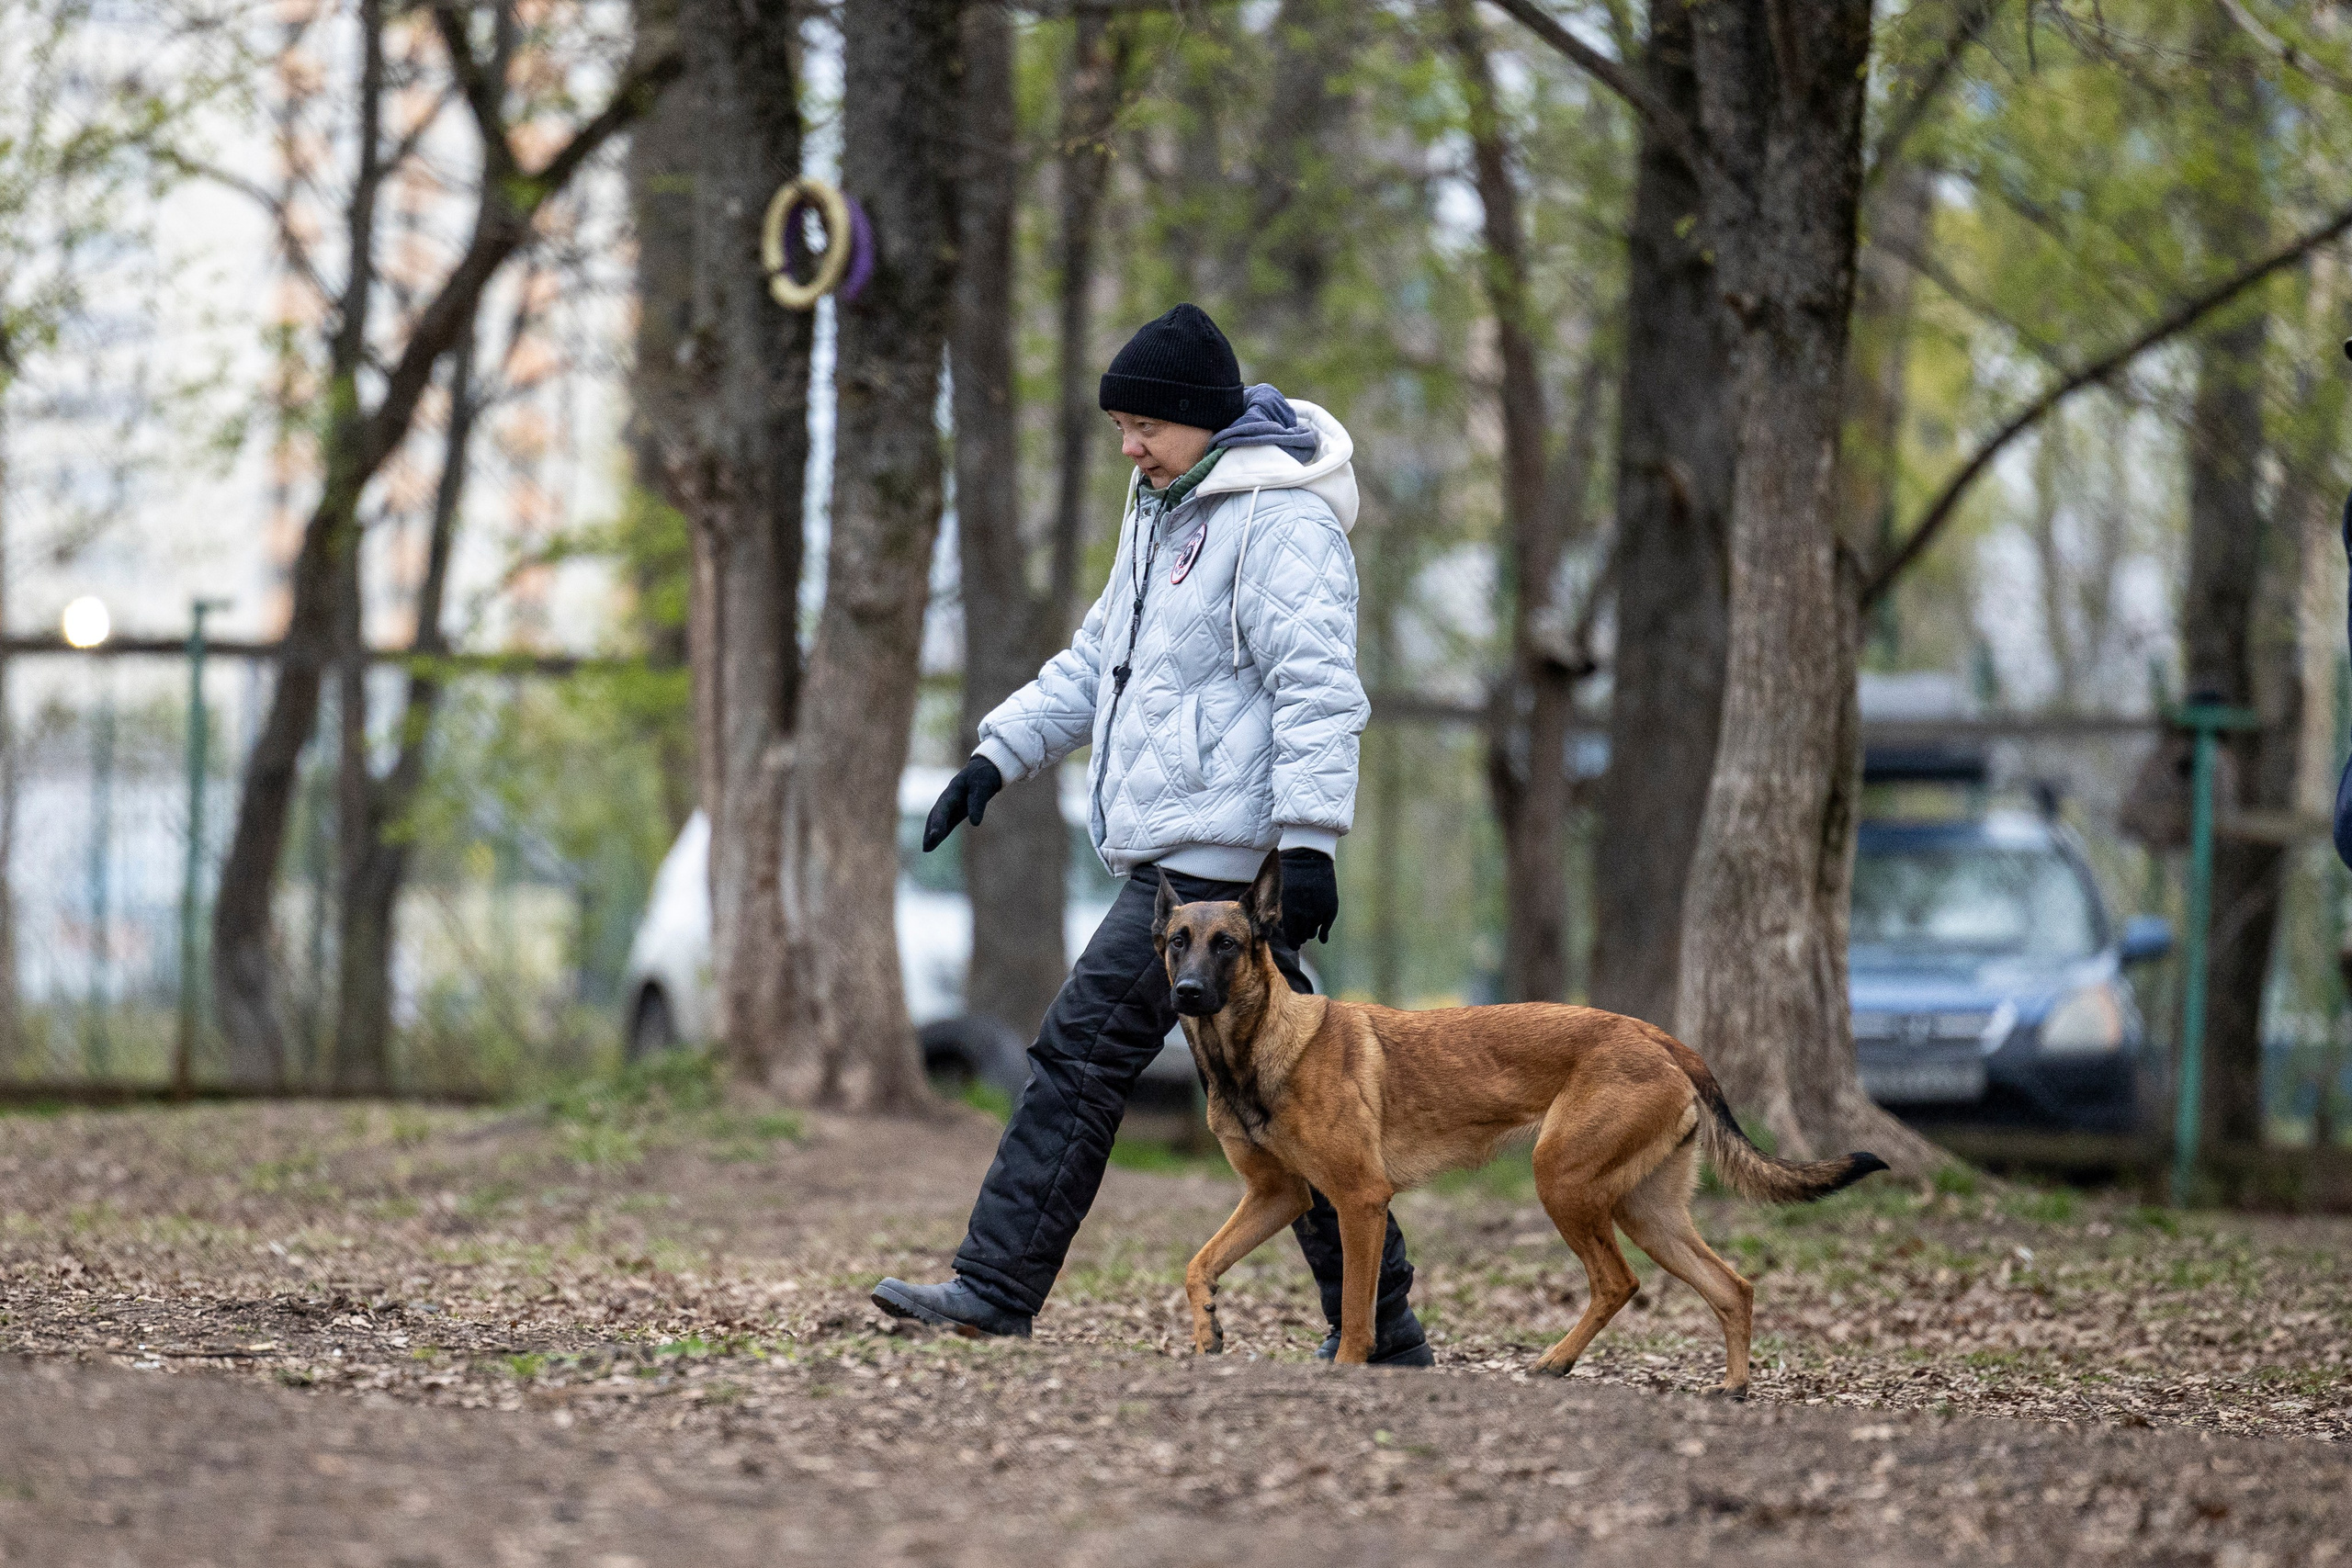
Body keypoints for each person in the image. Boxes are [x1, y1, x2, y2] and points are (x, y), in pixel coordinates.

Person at [872, 303, 1429, 1365]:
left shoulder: (1281, 524)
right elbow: (1095, 666)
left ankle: (994, 1285)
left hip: (1219, 876)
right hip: (1183, 865)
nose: (1128, 446)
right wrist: (997, 757)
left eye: (1143, 426)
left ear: (1201, 418)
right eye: (1120, 427)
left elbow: (1317, 688)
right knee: (1296, 1104)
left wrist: (1308, 840)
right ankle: (1386, 1329)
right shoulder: (1165, 508)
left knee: (1080, 1057)